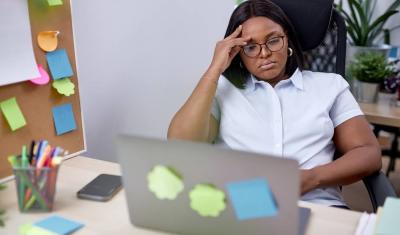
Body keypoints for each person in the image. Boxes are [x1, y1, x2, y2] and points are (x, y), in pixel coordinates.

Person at [167, 0, 381, 207]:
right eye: (250, 47)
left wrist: (311, 178)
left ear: (286, 39)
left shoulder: (329, 86)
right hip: (243, 208)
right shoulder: (222, 90)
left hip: (316, 205)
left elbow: (368, 153)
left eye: (273, 40)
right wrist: (215, 69)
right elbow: (181, 143)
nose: (265, 53)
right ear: (238, 53)